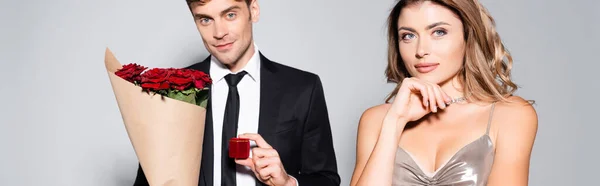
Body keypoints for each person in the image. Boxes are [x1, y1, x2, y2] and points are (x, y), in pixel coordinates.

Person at [132, 0, 341, 186]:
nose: (219, 32)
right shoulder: (173, 89)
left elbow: (327, 179)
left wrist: (288, 183)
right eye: (205, 20)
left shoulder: (303, 88)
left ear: (254, 10)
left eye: (230, 15)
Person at [350, 0, 538, 185]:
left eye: (439, 32)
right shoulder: (377, 119)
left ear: (468, 36)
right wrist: (395, 122)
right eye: (408, 36)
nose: (421, 50)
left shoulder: (510, 114)